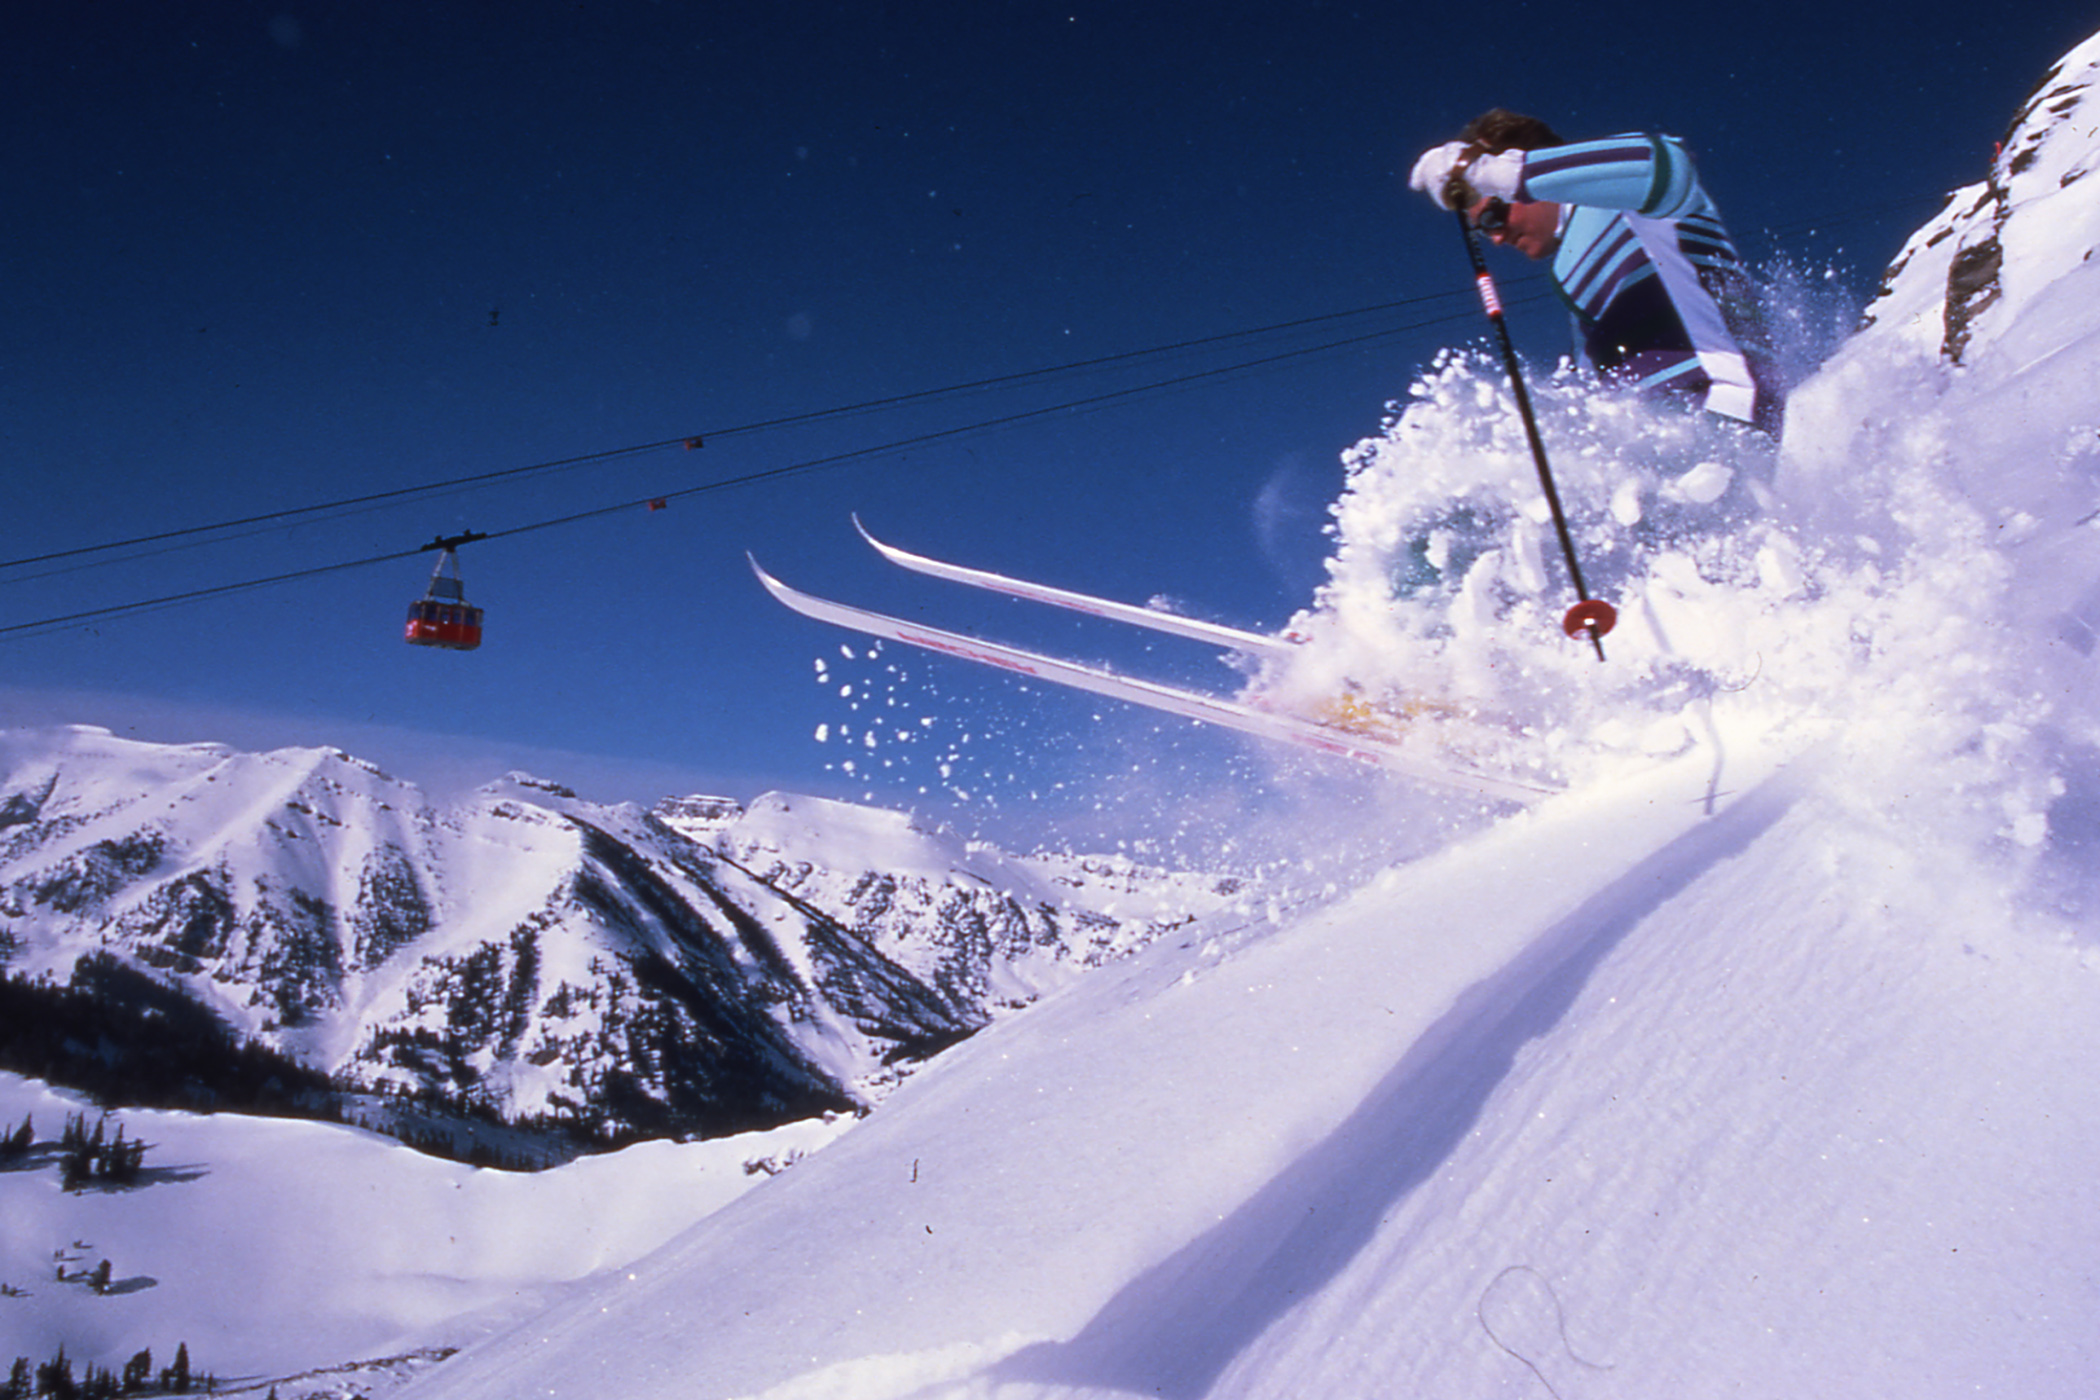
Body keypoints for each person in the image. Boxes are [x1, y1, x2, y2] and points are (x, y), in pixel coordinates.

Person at [1409, 110, 1781, 432]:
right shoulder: (1568, 274)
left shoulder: (1621, 199)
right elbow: (1598, 389)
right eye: (1483, 229)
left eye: (1494, 216)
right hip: (1668, 457)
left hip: (1731, 418)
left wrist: (1486, 171)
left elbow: (1664, 165)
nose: (1496, 238)